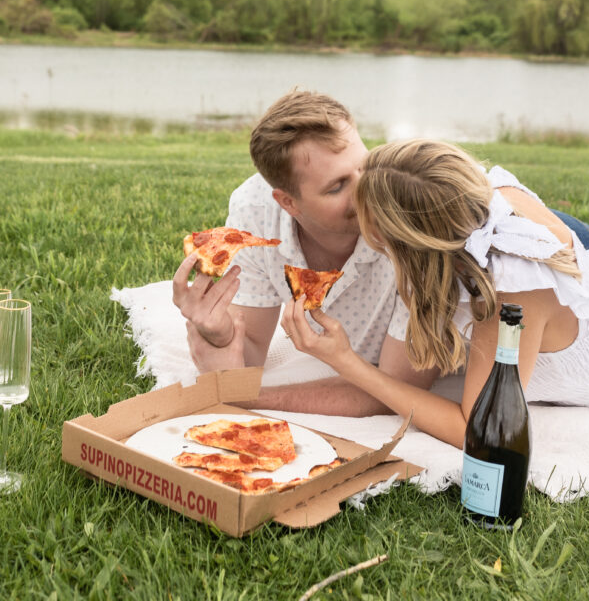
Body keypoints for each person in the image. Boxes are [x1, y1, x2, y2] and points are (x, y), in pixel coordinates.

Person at [280, 138, 589, 446]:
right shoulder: (471, 197)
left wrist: (346, 362)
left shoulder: (512, 295)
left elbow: (475, 433)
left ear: (411, 248)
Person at [173, 90, 434, 416]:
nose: (367, 193)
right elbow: (251, 355)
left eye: (365, 167)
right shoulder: (256, 211)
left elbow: (397, 392)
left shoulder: (409, 215)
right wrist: (222, 335)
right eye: (338, 186)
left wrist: (244, 399)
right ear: (287, 202)